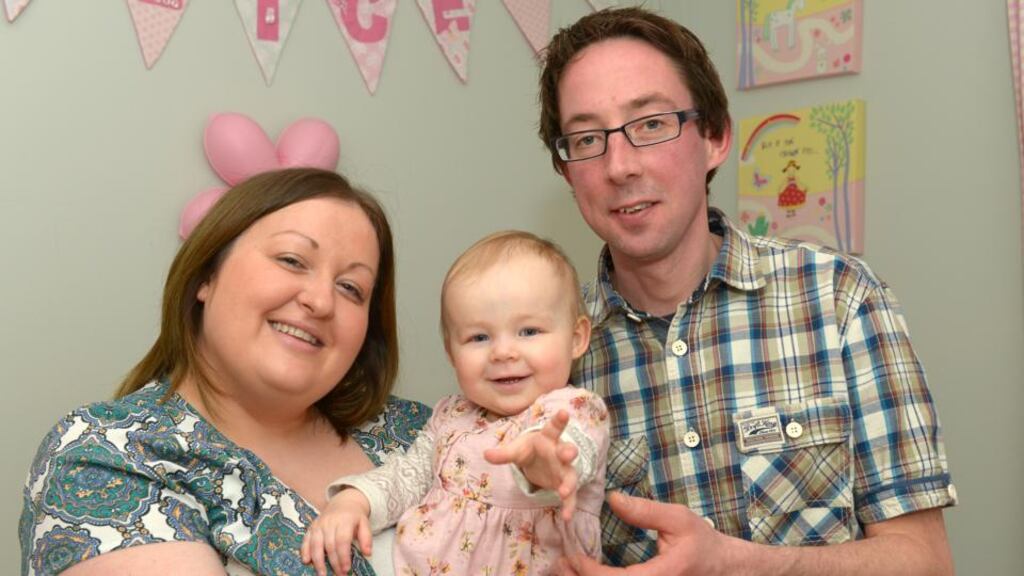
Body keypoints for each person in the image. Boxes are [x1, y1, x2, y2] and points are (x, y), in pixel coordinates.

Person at [535, 7, 957, 575]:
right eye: (587, 138)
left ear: (714, 137)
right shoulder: (553, 357)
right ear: (567, 172)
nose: (619, 165)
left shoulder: (840, 300)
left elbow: (925, 563)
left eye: (652, 124)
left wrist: (734, 564)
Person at [20, 168, 430, 576]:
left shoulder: (427, 433)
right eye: (292, 260)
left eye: (351, 288)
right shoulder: (106, 456)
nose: (321, 301)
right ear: (206, 276)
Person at [301, 231, 610, 576]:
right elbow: (409, 475)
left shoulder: (575, 410)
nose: (503, 352)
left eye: (529, 331)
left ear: (577, 338)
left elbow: (571, 454)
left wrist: (545, 464)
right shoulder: (452, 415)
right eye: (479, 337)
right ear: (451, 353)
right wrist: (355, 501)